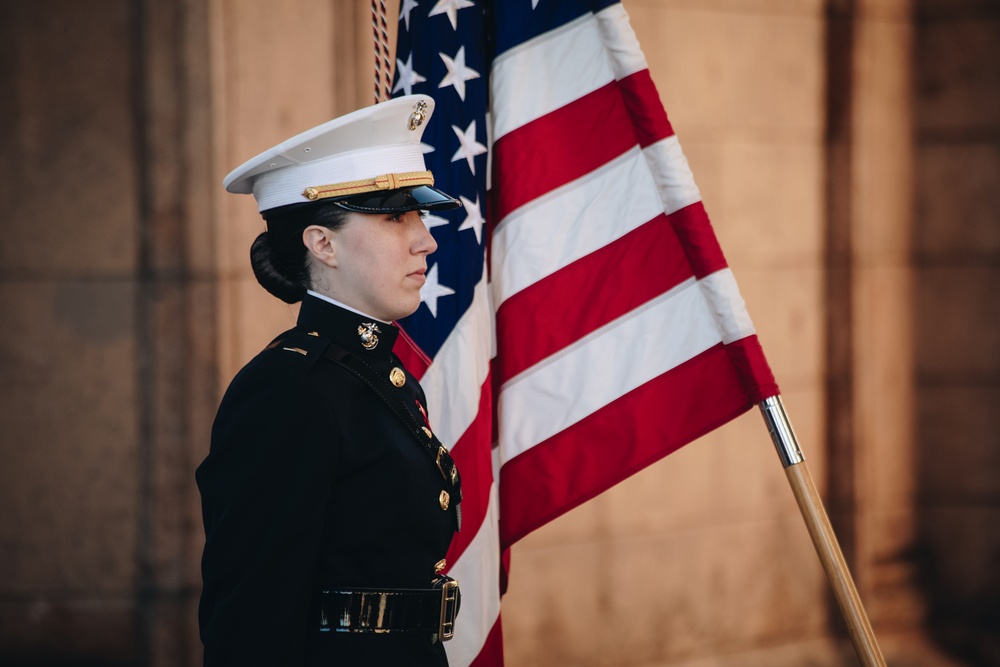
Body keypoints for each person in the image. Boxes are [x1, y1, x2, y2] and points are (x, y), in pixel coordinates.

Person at [196, 95, 464, 666]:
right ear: (322, 243)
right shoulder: (287, 391)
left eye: (418, 215)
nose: (426, 240)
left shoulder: (380, 376)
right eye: (396, 217)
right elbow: (249, 620)